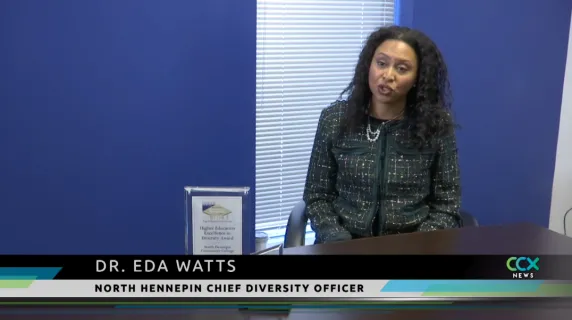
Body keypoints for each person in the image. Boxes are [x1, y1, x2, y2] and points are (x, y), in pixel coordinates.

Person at [303, 26, 461, 244]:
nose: (388, 76)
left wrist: (415, 246)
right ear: (369, 65)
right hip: (342, 245)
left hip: (411, 248)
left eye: (402, 68)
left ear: (417, 78)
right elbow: (317, 196)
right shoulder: (334, 119)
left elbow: (447, 204)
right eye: (381, 63)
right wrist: (337, 239)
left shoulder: (436, 125)